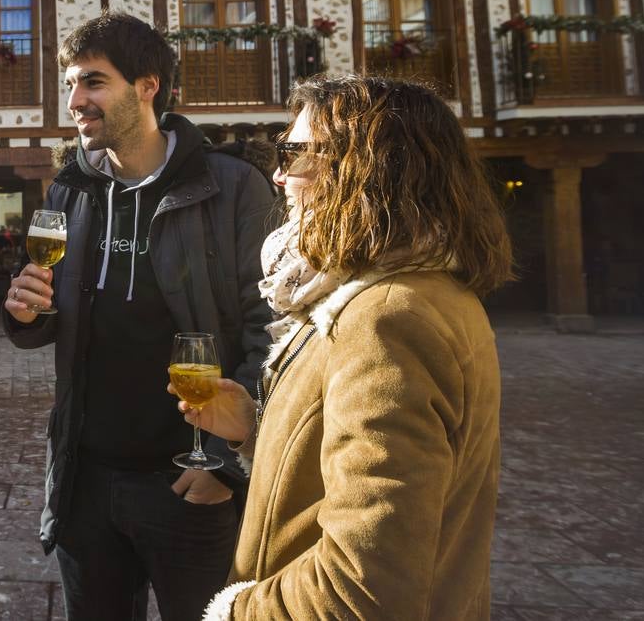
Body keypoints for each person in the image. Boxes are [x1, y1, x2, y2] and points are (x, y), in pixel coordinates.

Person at [186, 75, 510, 620]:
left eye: (293, 152)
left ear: (365, 167)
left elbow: (364, 584)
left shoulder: (386, 317)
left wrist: (236, 612)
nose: (278, 174)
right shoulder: (405, 293)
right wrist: (254, 432)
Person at [4, 12, 276, 621]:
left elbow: (273, 330)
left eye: (94, 83)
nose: (77, 101)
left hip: (188, 480)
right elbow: (59, 319)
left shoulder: (231, 188)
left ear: (148, 86)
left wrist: (227, 470)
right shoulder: (70, 189)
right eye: (71, 84)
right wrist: (26, 313)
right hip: (86, 482)